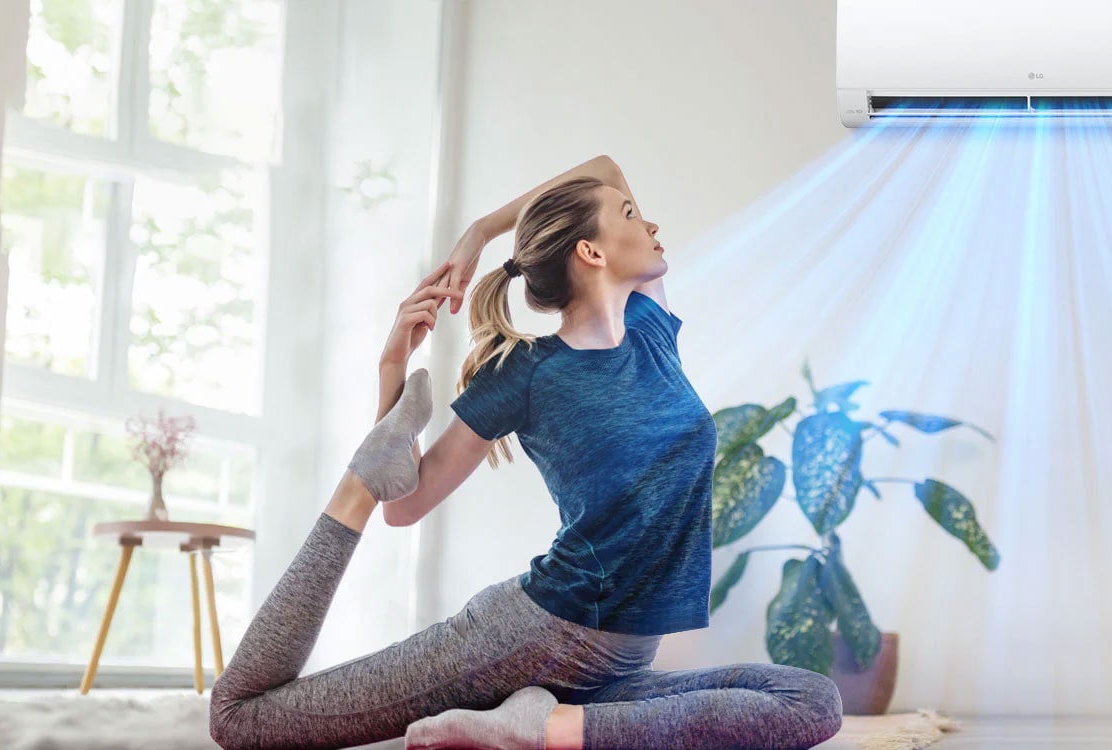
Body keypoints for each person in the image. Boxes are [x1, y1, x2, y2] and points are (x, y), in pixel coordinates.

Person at [208, 156, 844, 750]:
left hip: (617, 663)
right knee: (242, 718)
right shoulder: (528, 372)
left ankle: (549, 725)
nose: (649, 222)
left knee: (809, 700)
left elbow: (601, 168)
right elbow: (404, 506)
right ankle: (354, 490)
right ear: (590, 251)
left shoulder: (650, 331)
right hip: (532, 635)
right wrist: (391, 368)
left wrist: (481, 231)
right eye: (628, 216)